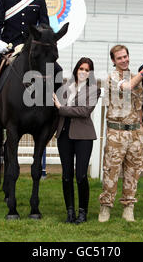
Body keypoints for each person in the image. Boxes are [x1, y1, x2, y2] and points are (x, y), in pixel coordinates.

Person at [98, 45, 143, 222]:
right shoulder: (111, 78)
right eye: (119, 58)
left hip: (134, 132)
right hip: (116, 132)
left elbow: (139, 106)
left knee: (132, 172)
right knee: (111, 172)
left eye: (125, 56)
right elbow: (127, 87)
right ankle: (106, 207)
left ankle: (129, 207)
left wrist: (140, 129)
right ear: (113, 61)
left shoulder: (136, 78)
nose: (124, 60)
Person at [53, 57, 101, 224]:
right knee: (66, 176)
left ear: (90, 73)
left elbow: (84, 111)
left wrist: (62, 108)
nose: (83, 72)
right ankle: (70, 212)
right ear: (76, 69)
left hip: (83, 137)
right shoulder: (65, 88)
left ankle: (83, 212)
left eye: (87, 70)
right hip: (64, 135)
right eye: (81, 68)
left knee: (80, 175)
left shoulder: (95, 90)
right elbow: (54, 106)